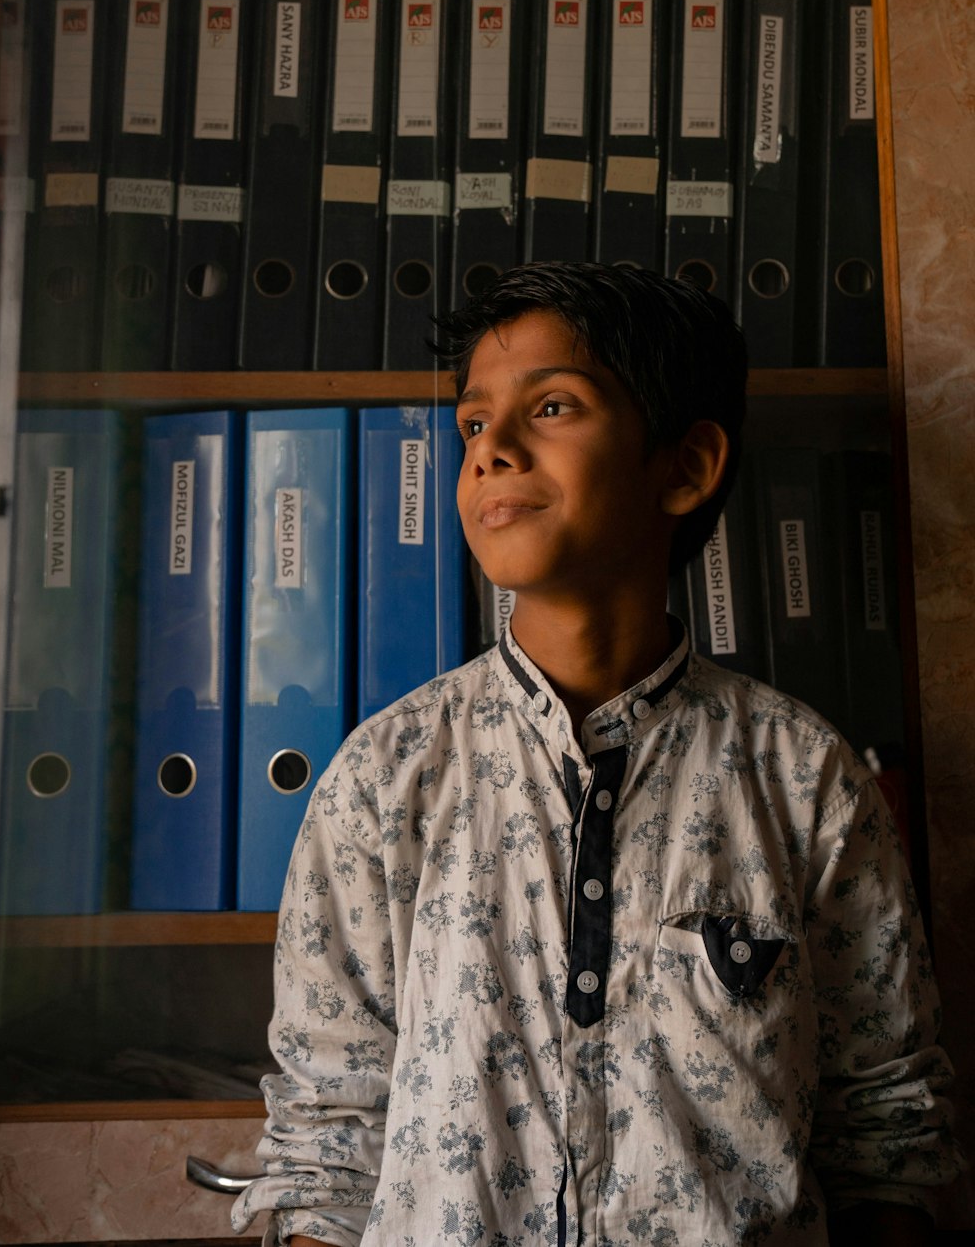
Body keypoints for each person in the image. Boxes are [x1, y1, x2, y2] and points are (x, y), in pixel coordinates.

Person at [232, 262, 961, 1247]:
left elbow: (885, 1128)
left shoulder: (805, 780)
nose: (492, 450)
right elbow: (328, 1134)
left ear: (686, 467)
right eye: (473, 425)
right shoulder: (385, 776)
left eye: (551, 406)